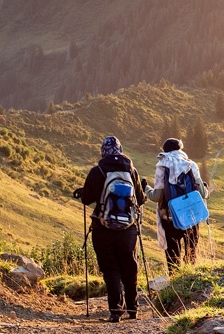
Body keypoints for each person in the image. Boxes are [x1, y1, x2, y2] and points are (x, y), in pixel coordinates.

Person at [81, 136, 145, 323]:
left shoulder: (97, 170)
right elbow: (140, 200)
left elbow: (86, 199)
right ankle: (133, 308)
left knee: (110, 268)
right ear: (120, 149)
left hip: (103, 227)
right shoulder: (132, 170)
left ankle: (115, 310)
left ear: (103, 151)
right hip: (128, 229)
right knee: (129, 265)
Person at [141, 138, 208, 274]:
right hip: (191, 218)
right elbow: (203, 193)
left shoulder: (162, 166)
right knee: (191, 256)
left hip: (170, 219)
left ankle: (175, 285)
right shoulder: (191, 165)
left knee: (173, 258)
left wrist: (145, 188)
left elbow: (156, 197)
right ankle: (191, 284)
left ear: (165, 151)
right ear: (180, 149)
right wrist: (205, 188)